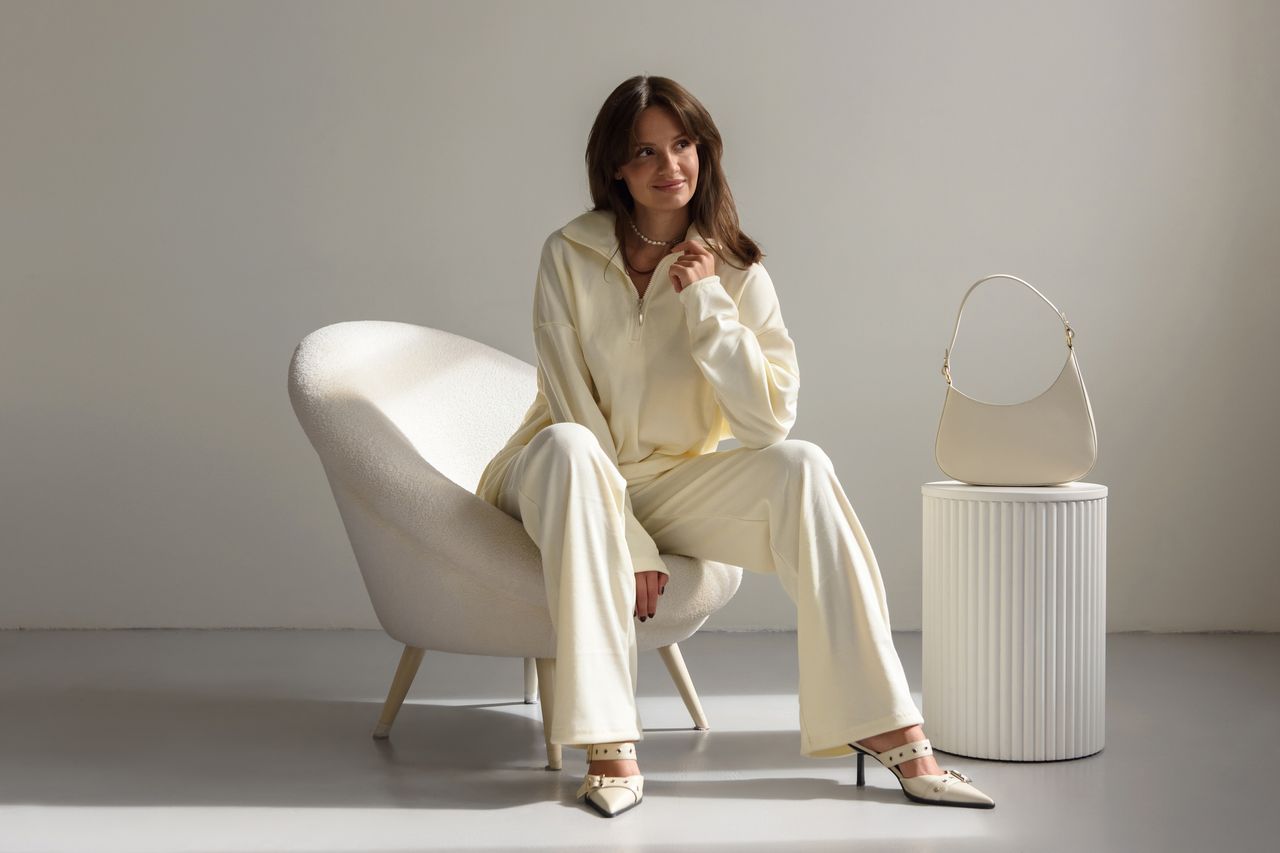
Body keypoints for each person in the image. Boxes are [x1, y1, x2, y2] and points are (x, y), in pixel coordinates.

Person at [473, 74, 996, 817]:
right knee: (568, 448)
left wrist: (708, 306)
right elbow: (571, 404)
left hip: (672, 483)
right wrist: (630, 543)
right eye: (645, 152)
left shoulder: (737, 269)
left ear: (704, 150)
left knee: (803, 466)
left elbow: (767, 423)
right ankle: (609, 740)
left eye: (682, 144)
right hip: (556, 473)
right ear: (615, 168)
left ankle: (888, 725)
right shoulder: (569, 253)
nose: (669, 166)